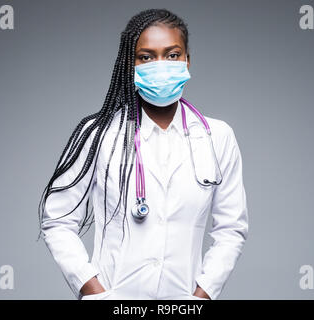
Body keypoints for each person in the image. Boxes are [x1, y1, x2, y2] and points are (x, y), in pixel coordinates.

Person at [37, 8, 248, 300]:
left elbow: (231, 229)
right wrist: (94, 293)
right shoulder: (98, 134)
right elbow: (58, 221)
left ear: (187, 61)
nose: (160, 65)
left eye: (172, 55)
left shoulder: (217, 137)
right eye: (146, 57)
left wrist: (202, 296)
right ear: (130, 65)